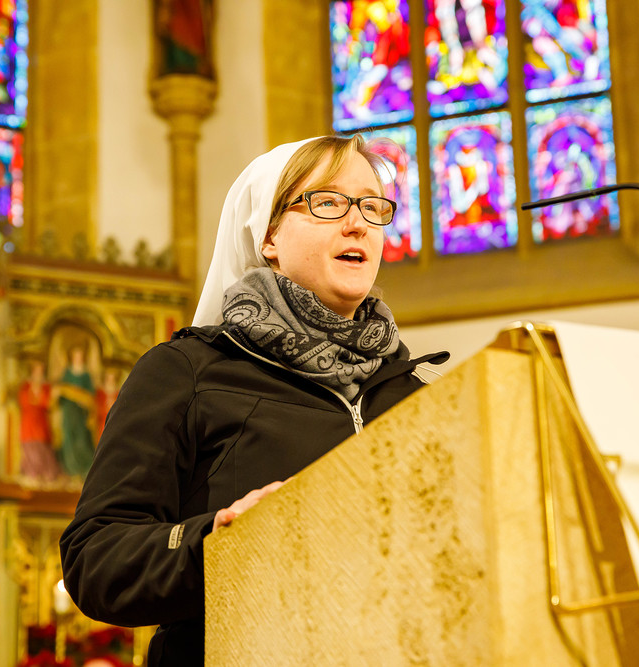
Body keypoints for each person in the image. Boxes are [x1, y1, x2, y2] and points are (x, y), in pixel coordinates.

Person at [59, 135, 448, 666]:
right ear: (268, 235)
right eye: (328, 202)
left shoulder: (417, 392)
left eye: (371, 206)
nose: (358, 224)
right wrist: (216, 538)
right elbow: (95, 559)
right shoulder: (186, 373)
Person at [54, 344, 97, 477]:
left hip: (81, 413)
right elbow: (60, 395)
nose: (78, 358)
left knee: (81, 440)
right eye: (76, 355)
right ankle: (71, 470)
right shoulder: (66, 373)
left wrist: (83, 399)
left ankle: (85, 470)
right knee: (69, 439)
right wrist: (59, 394)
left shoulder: (86, 375)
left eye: (80, 355)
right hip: (69, 412)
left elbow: (90, 396)